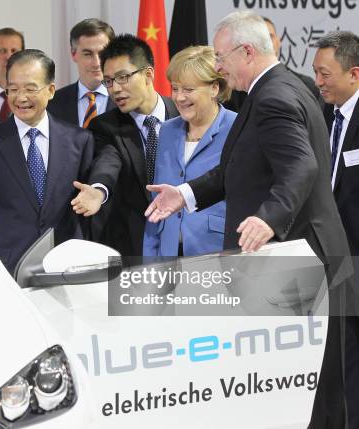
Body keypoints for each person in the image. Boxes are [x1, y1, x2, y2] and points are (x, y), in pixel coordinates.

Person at [144, 11, 350, 428]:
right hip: (301, 261)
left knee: (306, 388)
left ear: (247, 51)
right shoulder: (282, 86)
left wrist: (269, 219)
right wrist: (183, 195)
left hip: (296, 264)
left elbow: (300, 166)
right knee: (308, 387)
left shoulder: (273, 97)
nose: (217, 66)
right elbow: (237, 167)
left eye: (221, 56)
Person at [0, 49, 94, 272]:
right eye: (13, 89)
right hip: (9, 265)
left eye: (30, 89)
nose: (21, 98)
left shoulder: (79, 140)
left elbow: (84, 209)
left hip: (67, 263)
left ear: (51, 90)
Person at [70, 34, 179, 256]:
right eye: (108, 81)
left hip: (185, 243)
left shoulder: (183, 114)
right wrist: (99, 191)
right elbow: (107, 162)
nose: (115, 89)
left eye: (122, 78)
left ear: (148, 74)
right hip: (134, 246)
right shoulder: (105, 126)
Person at [143, 46, 236, 257]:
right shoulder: (166, 130)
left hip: (217, 254)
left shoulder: (237, 128)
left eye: (188, 89)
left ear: (214, 88)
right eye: (175, 88)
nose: (179, 97)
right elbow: (156, 202)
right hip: (168, 256)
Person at [313, 30, 359, 429]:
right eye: (315, 72)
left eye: (325, 73)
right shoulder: (326, 116)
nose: (319, 82)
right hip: (334, 260)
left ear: (354, 74)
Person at [47, 18, 116, 127]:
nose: (96, 63)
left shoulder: (127, 100)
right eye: (88, 54)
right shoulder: (52, 103)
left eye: (103, 54)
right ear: (74, 54)